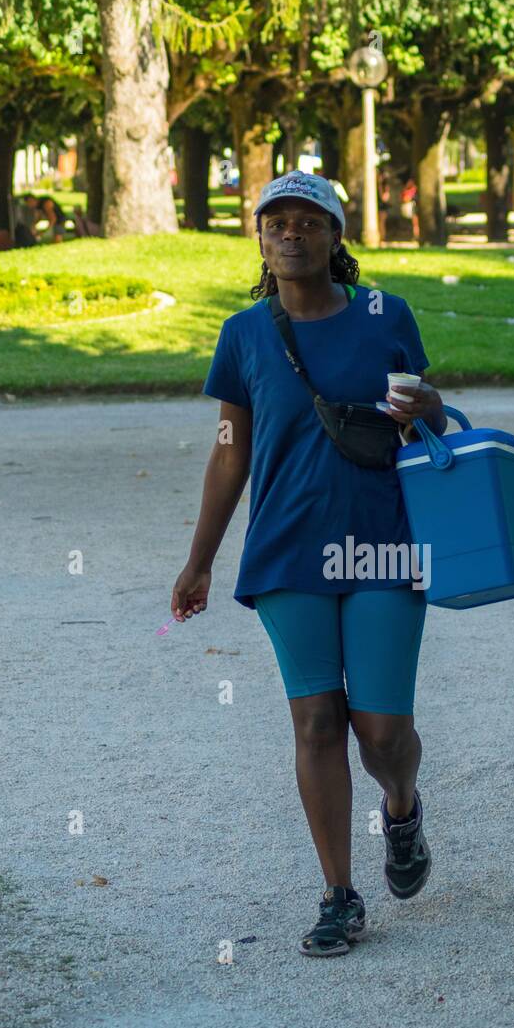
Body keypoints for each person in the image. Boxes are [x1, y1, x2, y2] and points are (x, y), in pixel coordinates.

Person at [171, 170, 446, 958]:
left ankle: (401, 806)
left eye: (308, 221)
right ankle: (338, 894)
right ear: (259, 239)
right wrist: (199, 562)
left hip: (382, 541)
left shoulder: (385, 314)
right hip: (288, 550)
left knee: (383, 730)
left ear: (336, 236)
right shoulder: (245, 334)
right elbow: (231, 457)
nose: (291, 233)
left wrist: (425, 405)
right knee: (316, 723)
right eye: (275, 222)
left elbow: (424, 407)